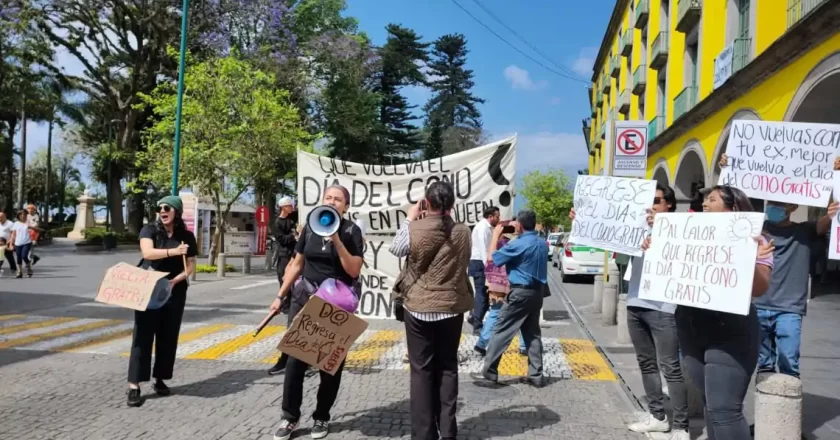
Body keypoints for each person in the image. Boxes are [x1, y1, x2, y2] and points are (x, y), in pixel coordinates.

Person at [655, 185, 774, 440]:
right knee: (711, 403)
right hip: (691, 325)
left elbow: (760, 288)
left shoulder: (756, 239)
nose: (705, 204)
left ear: (733, 208)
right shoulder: (690, 231)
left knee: (725, 410)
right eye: (704, 200)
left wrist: (747, 258)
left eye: (712, 199)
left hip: (730, 330)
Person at [571, 183, 690, 439]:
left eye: (656, 201)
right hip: (636, 302)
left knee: (670, 367)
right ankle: (657, 417)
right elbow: (606, 229)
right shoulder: (637, 227)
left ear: (669, 204)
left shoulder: (681, 228)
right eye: (649, 202)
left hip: (664, 306)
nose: (651, 207)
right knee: (646, 364)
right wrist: (583, 221)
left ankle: (681, 426)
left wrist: (661, 228)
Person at [721, 154, 839, 379]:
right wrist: (727, 171)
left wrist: (837, 177)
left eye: (779, 203)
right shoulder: (755, 230)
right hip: (757, 306)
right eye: (771, 202)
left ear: (792, 206)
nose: (773, 206)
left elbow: (829, 218)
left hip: (789, 310)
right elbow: (728, 216)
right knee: (763, 364)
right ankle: (768, 409)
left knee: (789, 361)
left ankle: (788, 407)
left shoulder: (805, 231)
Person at [269, 185, 364, 440]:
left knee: (329, 364)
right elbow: (297, 263)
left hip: (335, 306)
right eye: (328, 198)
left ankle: (321, 416)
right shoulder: (310, 226)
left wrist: (336, 239)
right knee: (294, 361)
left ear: (346, 206)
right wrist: (280, 296)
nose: (332, 202)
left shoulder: (351, 231)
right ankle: (289, 417)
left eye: (338, 199)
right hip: (305, 300)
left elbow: (354, 270)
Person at [389, 181, 472, 440]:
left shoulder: (414, 228)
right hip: (451, 308)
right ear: (453, 204)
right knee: (448, 368)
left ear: (426, 203)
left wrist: (410, 218)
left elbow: (396, 248)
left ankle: (424, 434)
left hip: (419, 310)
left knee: (421, 370)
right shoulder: (463, 231)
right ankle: (447, 432)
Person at [127, 195, 197, 407]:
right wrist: (173, 251)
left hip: (174, 290)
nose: (162, 211)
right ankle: (134, 385)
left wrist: (177, 279)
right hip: (149, 289)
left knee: (168, 336)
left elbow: (191, 264)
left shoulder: (187, 236)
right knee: (143, 334)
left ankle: (160, 379)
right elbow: (147, 252)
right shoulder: (149, 230)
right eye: (159, 208)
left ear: (176, 211)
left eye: (167, 208)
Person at [477, 209, 547, 387]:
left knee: (502, 331)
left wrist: (495, 235)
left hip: (519, 293)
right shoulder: (542, 243)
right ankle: (536, 374)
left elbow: (493, 258)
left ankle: (489, 371)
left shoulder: (518, 244)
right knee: (532, 334)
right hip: (537, 293)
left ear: (520, 225)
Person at [473, 224, 526, 356]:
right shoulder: (517, 245)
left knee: (494, 313)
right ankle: (524, 346)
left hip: (496, 285)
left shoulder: (496, 244)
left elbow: (489, 262)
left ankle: (481, 343)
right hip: (511, 285)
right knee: (523, 314)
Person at [268, 196, 298, 376]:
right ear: (283, 207)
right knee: (285, 282)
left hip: (294, 255)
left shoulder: (292, 220)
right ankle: (286, 304)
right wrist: (293, 236)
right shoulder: (277, 223)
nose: (292, 208)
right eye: (290, 206)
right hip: (284, 256)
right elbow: (282, 239)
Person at [467, 206, 500, 335]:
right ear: (490, 217)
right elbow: (482, 249)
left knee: (485, 295)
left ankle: (474, 317)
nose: (499, 218)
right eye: (497, 216)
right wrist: (489, 267)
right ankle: (477, 326)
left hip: (483, 263)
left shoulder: (489, 228)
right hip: (480, 263)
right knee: (481, 295)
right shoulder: (482, 228)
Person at [11, 210, 35, 278]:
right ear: (18, 216)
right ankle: (19, 272)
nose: (23, 216)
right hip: (18, 243)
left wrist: (31, 227)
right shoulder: (16, 223)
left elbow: (34, 228)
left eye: (24, 214)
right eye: (21, 214)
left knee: (24, 256)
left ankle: (29, 269)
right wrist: (11, 243)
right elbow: (13, 233)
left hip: (27, 242)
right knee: (19, 257)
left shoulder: (29, 223)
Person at [0, 212, 17, 277]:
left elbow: (14, 233)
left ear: (5, 217)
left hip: (7, 242)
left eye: (1, 217)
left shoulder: (10, 224)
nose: (0, 218)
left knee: (9, 257)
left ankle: (13, 269)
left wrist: (10, 242)